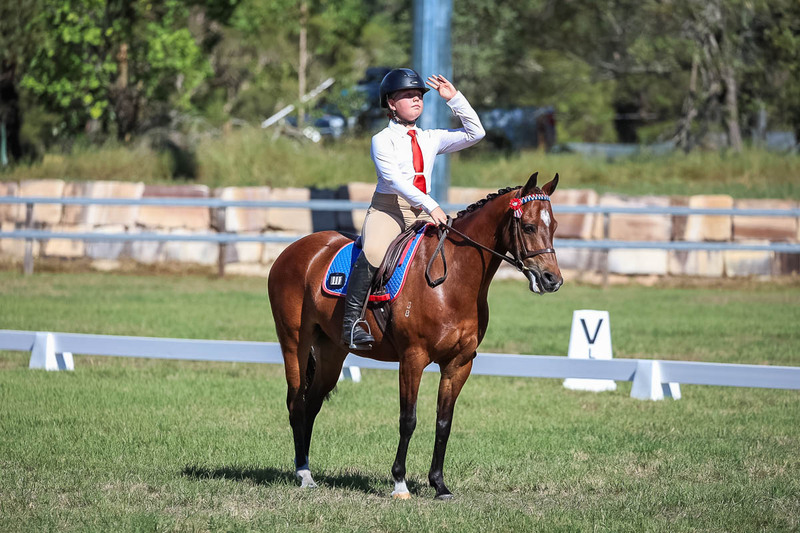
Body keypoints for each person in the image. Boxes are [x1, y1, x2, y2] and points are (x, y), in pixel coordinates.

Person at [342, 67, 485, 350]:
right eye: (407, 96)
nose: (416, 99)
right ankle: (351, 324)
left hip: (423, 211)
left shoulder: (431, 138)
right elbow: (394, 180)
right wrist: (431, 205)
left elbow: (476, 133)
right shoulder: (382, 140)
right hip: (389, 210)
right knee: (373, 252)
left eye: (419, 95)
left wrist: (454, 98)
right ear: (391, 104)